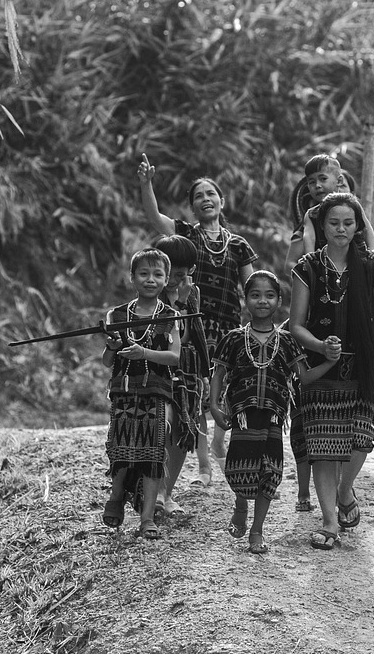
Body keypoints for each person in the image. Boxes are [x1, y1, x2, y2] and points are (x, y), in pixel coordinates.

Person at [138, 156, 258, 477]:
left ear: (222, 201)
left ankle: (219, 443)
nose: (206, 199)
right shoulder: (186, 234)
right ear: (193, 207)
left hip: (229, 325)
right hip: (193, 322)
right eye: (199, 197)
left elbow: (251, 287)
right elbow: (155, 218)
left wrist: (256, 323)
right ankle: (204, 461)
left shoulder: (239, 245)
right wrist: (146, 184)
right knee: (197, 389)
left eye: (211, 194)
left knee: (224, 385)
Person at [209, 271, 337, 554]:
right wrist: (214, 406)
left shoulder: (288, 340)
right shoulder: (233, 339)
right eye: (255, 295)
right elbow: (219, 374)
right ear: (245, 301)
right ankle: (241, 504)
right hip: (242, 416)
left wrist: (329, 361)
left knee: (270, 471)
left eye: (269, 295)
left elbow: (304, 377)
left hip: (274, 417)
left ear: (279, 301)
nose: (262, 301)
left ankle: (257, 529)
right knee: (238, 468)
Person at [289, 192, 374, 550]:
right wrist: (319, 347)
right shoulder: (307, 267)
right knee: (322, 445)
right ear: (322, 225)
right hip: (320, 369)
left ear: (358, 226)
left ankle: (346, 490)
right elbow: (296, 324)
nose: (341, 229)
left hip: (360, 368)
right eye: (333, 222)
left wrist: (369, 362)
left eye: (348, 222)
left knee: (361, 437)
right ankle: (330, 521)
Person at [101, 248, 182, 538]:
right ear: (132, 278)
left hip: (157, 392)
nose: (151, 279)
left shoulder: (171, 316)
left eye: (157, 274)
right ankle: (116, 497)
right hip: (123, 391)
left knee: (153, 453)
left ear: (167, 279)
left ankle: (146, 518)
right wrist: (112, 346)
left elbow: (174, 357)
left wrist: (143, 352)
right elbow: (108, 361)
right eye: (144, 274)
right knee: (122, 449)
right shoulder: (118, 314)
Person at [153, 235, 209, 518]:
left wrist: (184, 302)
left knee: (182, 433)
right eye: (172, 273)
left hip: (187, 370)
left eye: (182, 273)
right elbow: (167, 338)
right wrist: (177, 304)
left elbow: (190, 335)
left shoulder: (191, 292)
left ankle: (167, 492)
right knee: (162, 427)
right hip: (160, 369)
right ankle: (156, 487)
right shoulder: (153, 292)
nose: (176, 279)